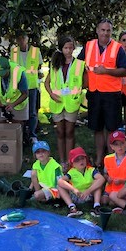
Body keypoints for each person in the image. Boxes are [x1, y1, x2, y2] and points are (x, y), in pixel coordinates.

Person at [79, 19, 126, 167]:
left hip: (111, 95)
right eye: (103, 30)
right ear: (97, 31)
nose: (105, 33)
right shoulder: (88, 46)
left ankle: (111, 160)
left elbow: (125, 70)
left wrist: (105, 71)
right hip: (94, 93)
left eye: (108, 30)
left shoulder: (117, 48)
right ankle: (100, 159)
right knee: (97, 128)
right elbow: (78, 66)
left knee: (112, 129)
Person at [45, 36, 86, 166]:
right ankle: (62, 160)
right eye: (65, 48)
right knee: (60, 132)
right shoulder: (55, 63)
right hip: (57, 102)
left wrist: (77, 91)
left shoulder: (79, 64)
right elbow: (47, 82)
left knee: (69, 132)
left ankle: (70, 160)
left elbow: (85, 82)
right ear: (61, 49)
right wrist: (51, 94)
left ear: (74, 48)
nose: (68, 50)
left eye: (70, 47)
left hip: (71, 103)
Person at [10, 31, 43, 143]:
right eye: (19, 39)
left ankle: (32, 135)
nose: (21, 41)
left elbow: (39, 66)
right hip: (18, 86)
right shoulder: (13, 52)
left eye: (23, 38)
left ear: (27, 39)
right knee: (20, 111)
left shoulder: (35, 51)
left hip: (32, 85)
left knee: (32, 112)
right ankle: (22, 134)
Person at [57, 146, 106, 217]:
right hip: (77, 195)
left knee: (98, 182)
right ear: (72, 164)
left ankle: (96, 206)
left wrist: (88, 191)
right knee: (60, 186)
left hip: (89, 194)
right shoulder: (72, 172)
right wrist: (74, 190)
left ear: (86, 159)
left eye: (82, 158)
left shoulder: (91, 170)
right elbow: (60, 181)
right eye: (77, 160)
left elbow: (102, 179)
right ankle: (72, 207)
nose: (81, 161)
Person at [0, 56, 29, 125]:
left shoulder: (19, 73)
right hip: (0, 101)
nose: (1, 75)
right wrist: (2, 107)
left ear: (8, 69)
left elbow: (25, 94)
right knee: (0, 125)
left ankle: (18, 135)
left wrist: (13, 105)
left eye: (3, 73)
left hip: (17, 101)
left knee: (17, 125)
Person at [103, 130, 126, 205]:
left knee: (112, 203)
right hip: (110, 188)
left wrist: (121, 181)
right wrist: (107, 178)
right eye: (116, 144)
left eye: (122, 143)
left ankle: (119, 202)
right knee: (104, 201)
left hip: (124, 189)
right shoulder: (107, 158)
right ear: (112, 147)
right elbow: (105, 173)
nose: (120, 147)